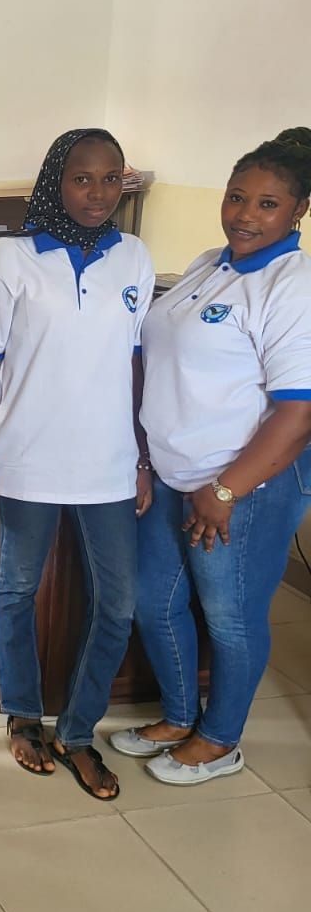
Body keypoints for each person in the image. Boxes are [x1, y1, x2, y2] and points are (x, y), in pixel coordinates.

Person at [115, 128, 311, 783]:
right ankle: (178, 716)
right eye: (236, 197)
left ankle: (222, 740)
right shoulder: (211, 262)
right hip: (175, 475)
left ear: (298, 211)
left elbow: (298, 412)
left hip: (238, 490)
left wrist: (223, 491)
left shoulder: (291, 286)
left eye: (267, 204)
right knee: (154, 601)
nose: (245, 214)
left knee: (230, 618)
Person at [0, 128, 154, 801]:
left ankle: (77, 733)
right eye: (82, 178)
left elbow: (133, 363)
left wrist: (142, 455)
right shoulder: (8, 260)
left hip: (108, 460)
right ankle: (23, 717)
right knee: (16, 590)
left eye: (111, 179)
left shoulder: (133, 258)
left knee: (119, 602)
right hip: (25, 455)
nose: (98, 193)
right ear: (56, 180)